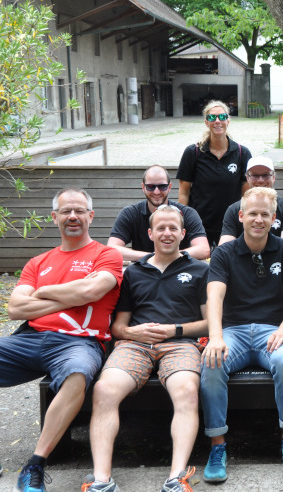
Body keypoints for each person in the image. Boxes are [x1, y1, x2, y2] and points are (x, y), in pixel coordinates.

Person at [83, 205, 209, 492]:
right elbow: (118, 327)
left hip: (180, 345)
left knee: (187, 390)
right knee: (104, 390)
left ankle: (176, 477)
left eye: (173, 228)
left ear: (183, 234)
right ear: (150, 233)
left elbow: (210, 323)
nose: (167, 233)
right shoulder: (134, 273)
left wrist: (175, 330)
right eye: (160, 228)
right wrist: (133, 332)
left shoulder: (200, 270)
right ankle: (101, 480)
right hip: (135, 345)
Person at [5, 188, 122, 492]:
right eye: (66, 211)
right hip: (30, 339)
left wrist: (42, 292)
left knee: (77, 374)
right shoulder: (38, 262)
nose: (73, 216)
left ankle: (35, 465)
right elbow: (15, 308)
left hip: (78, 343)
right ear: (54, 217)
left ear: (90, 216)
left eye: (79, 211)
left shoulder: (106, 255)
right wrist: (72, 296)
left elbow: (91, 291)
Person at [200, 187, 283, 482]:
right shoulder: (224, 253)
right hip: (233, 331)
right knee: (211, 362)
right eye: (253, 214)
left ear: (273, 219)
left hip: (272, 331)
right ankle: (217, 445)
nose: (258, 220)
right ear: (241, 216)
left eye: (265, 215)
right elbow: (215, 296)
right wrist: (216, 337)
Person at [177, 100, 252, 247]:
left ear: (228, 121)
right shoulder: (193, 152)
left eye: (222, 117)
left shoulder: (242, 153)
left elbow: (246, 196)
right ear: (206, 122)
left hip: (231, 226)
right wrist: (182, 222)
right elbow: (184, 193)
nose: (217, 121)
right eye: (212, 117)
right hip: (199, 225)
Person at [108, 165, 210, 262]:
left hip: (179, 268)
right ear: (143, 187)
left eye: (162, 186)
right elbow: (112, 249)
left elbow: (203, 249)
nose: (156, 192)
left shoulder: (187, 213)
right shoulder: (130, 214)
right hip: (143, 269)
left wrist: (168, 257)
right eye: (150, 186)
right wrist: (152, 257)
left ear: (169, 187)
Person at [218, 156, 283, 247]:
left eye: (265, 175)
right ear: (247, 178)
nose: (260, 180)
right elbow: (224, 248)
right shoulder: (233, 210)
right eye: (255, 175)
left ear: (273, 177)